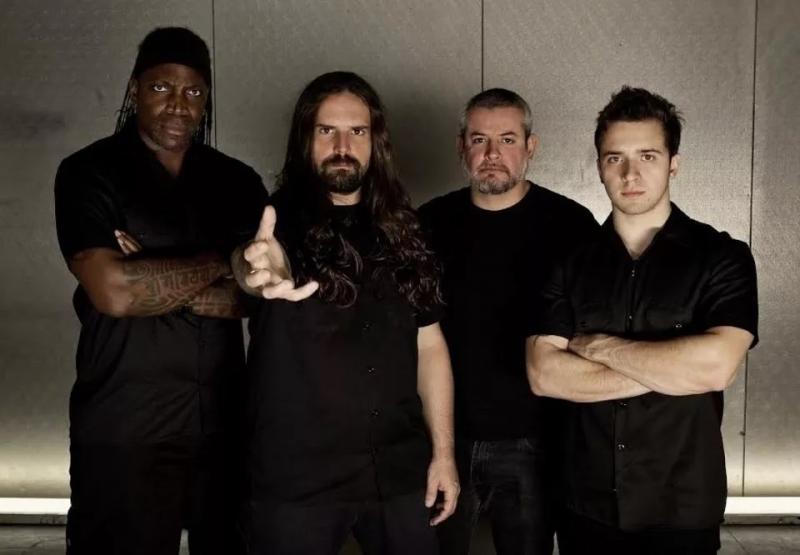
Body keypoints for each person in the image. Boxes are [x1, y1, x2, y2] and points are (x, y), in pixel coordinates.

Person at [54, 27, 267, 555]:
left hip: (221, 419)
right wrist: (224, 260)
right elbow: (113, 292)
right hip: (125, 423)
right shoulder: (88, 172)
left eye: (193, 91)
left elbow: (256, 296)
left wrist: (148, 271)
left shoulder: (236, 181)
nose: (178, 104)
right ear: (134, 89)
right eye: (160, 87)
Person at [231, 71, 459, 554]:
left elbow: (430, 345)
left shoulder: (407, 230)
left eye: (357, 131)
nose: (342, 146)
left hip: (398, 472)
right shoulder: (274, 224)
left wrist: (443, 454)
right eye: (326, 131)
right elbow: (253, 266)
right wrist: (259, 269)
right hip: (298, 482)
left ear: (376, 142)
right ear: (305, 139)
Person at [527, 86, 758, 554]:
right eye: (615, 158)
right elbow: (544, 374)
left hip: (682, 504)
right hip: (584, 505)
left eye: (648, 156)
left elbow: (716, 368)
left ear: (674, 163)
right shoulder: (567, 261)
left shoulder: (723, 257)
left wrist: (595, 346)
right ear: (599, 166)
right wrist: (676, 368)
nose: (630, 174)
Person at [418, 88, 597, 555]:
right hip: (445, 436)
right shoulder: (428, 224)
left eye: (508, 139)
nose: (492, 154)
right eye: (479, 140)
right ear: (462, 147)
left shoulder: (571, 225)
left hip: (534, 439)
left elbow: (593, 333)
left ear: (530, 147)